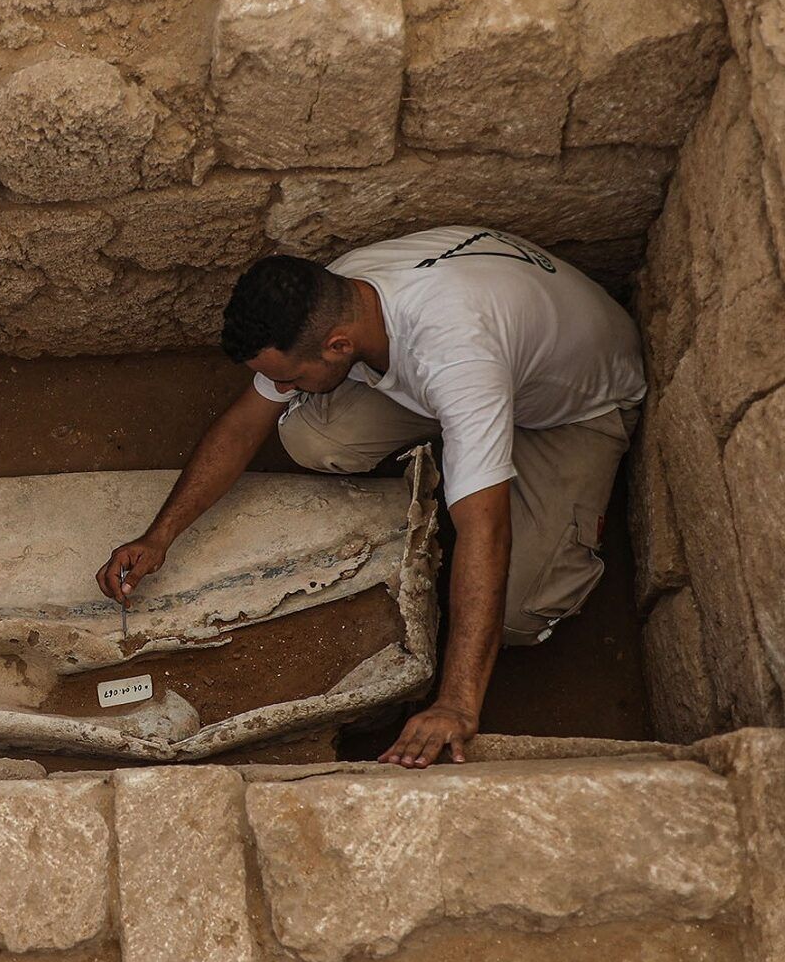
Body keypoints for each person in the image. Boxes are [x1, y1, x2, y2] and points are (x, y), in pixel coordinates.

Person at [98, 226, 646, 768]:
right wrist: (159, 536)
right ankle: (464, 442)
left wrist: (455, 702)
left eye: (289, 378)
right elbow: (245, 425)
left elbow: (487, 528)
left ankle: (492, 468)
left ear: (339, 345)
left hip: (569, 410)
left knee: (517, 615)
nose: (281, 389)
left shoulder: (456, 358)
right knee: (312, 438)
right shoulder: (337, 297)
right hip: (496, 355)